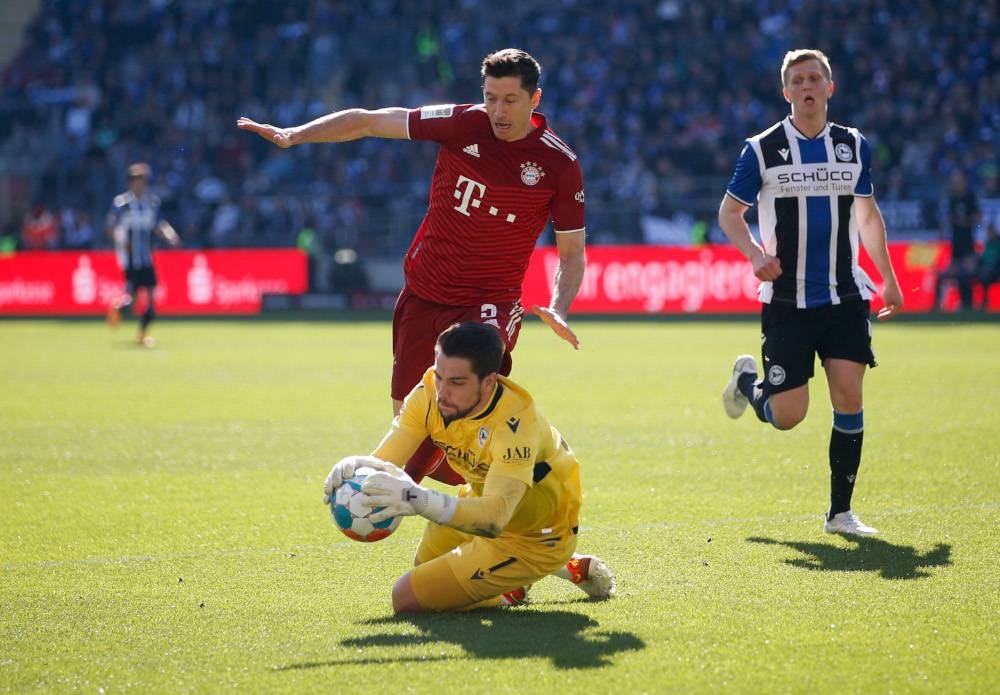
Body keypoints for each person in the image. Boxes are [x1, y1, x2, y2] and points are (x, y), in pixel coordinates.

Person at [237, 48, 585, 486]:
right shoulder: (461, 122)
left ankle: (400, 492)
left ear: (535, 100)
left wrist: (560, 306)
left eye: (510, 100)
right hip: (424, 292)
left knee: (460, 394)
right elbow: (368, 120)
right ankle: (520, 482)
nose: (497, 110)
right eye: (490, 97)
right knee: (412, 421)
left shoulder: (559, 164)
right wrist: (294, 135)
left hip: (488, 302)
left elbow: (572, 255)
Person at [717, 49, 904, 536]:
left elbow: (867, 215)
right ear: (786, 92)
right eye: (797, 80)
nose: (806, 86)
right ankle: (746, 386)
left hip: (844, 295)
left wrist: (887, 276)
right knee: (789, 415)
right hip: (787, 301)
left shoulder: (853, 145)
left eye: (814, 78)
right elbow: (729, 215)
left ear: (829, 87)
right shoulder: (762, 149)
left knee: (849, 394)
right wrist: (757, 255)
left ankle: (840, 514)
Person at [322, 322, 614, 612]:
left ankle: (518, 583)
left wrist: (418, 499)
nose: (442, 392)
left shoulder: (517, 424)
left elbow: (494, 518)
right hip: (478, 503)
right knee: (425, 572)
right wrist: (359, 468)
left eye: (457, 382)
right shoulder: (429, 392)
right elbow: (386, 462)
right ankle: (563, 568)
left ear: (488, 382)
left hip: (535, 537)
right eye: (440, 377)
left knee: (407, 599)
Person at [106, 163, 181, 347]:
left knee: (151, 299)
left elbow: (159, 224)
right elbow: (110, 227)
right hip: (130, 259)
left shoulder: (152, 203)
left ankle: (142, 334)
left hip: (147, 258)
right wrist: (123, 243)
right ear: (130, 183)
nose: (140, 185)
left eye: (143, 181)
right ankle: (118, 307)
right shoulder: (121, 204)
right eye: (136, 181)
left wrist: (171, 236)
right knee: (132, 298)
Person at [933, 170, 981, 312]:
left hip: (968, 246)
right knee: (942, 276)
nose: (956, 184)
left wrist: (964, 221)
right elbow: (948, 219)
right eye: (954, 181)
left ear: (964, 182)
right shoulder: (952, 199)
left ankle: (968, 306)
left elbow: (977, 218)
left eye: (958, 181)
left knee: (965, 275)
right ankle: (937, 308)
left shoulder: (970, 197)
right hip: (956, 246)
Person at [976, 222, 1000, 311]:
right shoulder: (987, 244)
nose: (989, 234)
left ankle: (984, 303)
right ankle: (968, 303)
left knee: (986, 277)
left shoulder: (998, 243)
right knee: (969, 276)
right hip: (986, 269)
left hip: (996, 270)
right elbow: (983, 258)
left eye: (991, 232)